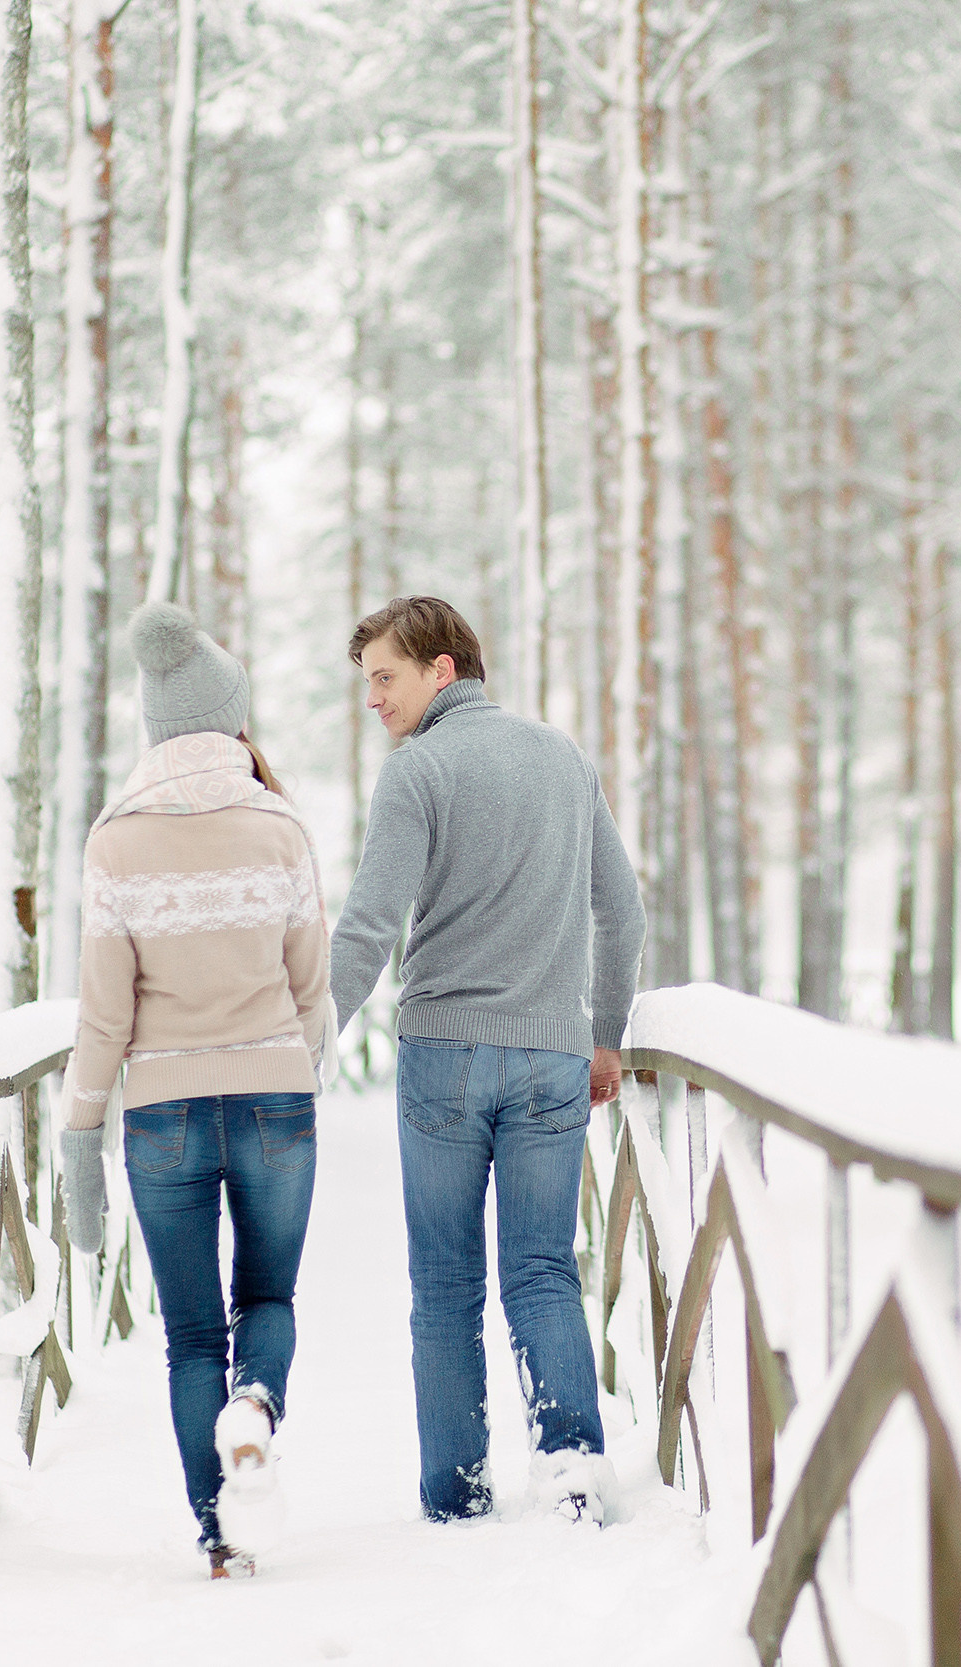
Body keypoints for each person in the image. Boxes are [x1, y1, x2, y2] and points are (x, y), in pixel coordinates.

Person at [332, 596, 644, 1523]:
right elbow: (621, 912)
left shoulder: (416, 771)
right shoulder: (563, 758)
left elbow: (369, 926)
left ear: (443, 669)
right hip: (553, 1059)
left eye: (386, 676)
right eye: (367, 682)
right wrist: (606, 1035)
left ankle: (456, 1495)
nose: (374, 699)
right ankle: (576, 1477)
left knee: (445, 1284)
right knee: (544, 1272)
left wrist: (307, 1039)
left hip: (445, 1062)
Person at [60, 602, 330, 1579]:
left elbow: (103, 1015)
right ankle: (254, 1406)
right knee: (267, 1291)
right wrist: (305, 1073)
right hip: (275, 1096)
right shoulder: (280, 826)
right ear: (230, 716)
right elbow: (312, 988)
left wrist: (79, 1132)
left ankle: (219, 1537)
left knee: (188, 1335)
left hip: (161, 1114)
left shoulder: (113, 841)